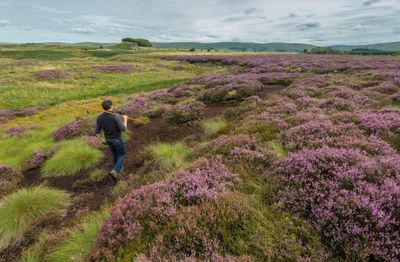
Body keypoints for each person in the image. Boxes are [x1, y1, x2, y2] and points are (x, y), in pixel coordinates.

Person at [95, 100, 128, 181]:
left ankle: (118, 168)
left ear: (103, 108)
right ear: (111, 106)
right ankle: (115, 171)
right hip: (116, 139)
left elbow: (97, 132)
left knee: (115, 153)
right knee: (122, 154)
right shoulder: (115, 116)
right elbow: (123, 129)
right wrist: (125, 119)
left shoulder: (99, 117)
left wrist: (101, 140)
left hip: (108, 139)